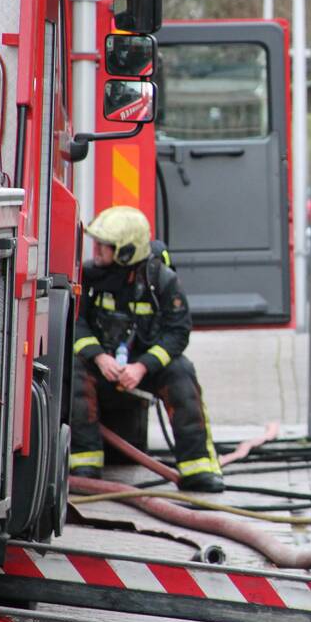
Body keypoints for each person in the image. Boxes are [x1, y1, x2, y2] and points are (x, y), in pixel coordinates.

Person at [70, 206, 223, 493]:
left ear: (126, 251)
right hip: (103, 365)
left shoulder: (162, 281)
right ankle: (85, 464)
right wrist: (99, 357)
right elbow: (75, 323)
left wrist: (142, 367)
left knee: (182, 373)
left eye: (104, 244)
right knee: (74, 368)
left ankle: (198, 467)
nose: (96, 249)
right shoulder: (89, 277)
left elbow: (178, 332)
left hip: (144, 366)